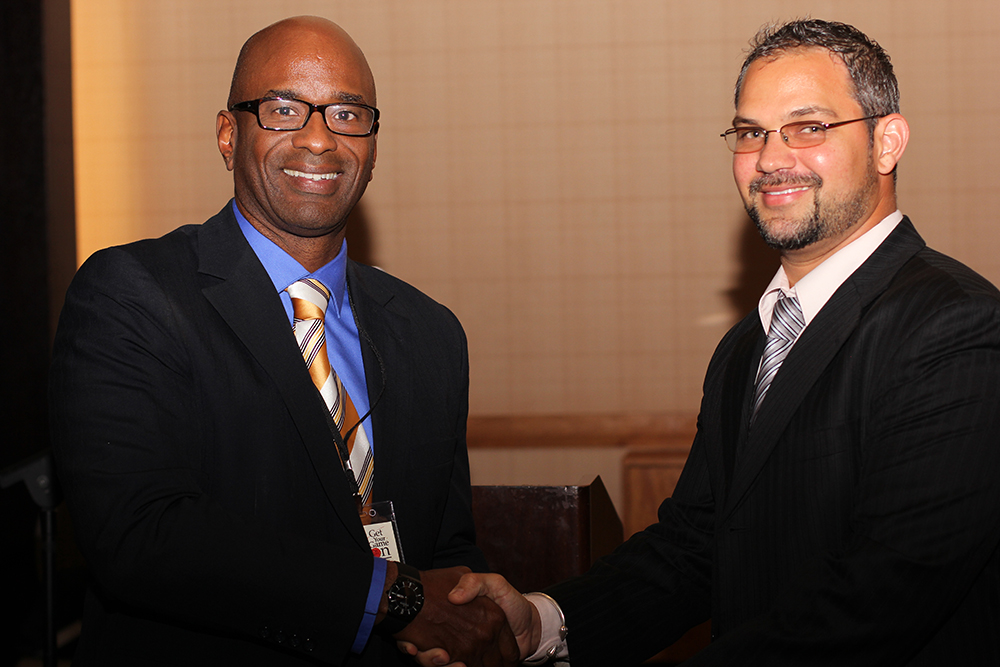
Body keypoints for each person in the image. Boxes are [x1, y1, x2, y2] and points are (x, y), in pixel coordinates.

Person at [412, 18, 1000, 666]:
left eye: (808, 127)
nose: (770, 159)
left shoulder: (958, 326)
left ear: (887, 142)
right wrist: (544, 623)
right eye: (751, 132)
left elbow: (883, 598)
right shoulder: (748, 345)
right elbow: (695, 547)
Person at [48, 15, 517, 667]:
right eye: (284, 109)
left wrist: (473, 622)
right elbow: (141, 536)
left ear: (373, 146)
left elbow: (445, 553)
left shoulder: (431, 333)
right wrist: (394, 598)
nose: (320, 139)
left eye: (347, 114)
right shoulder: (132, 293)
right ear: (228, 134)